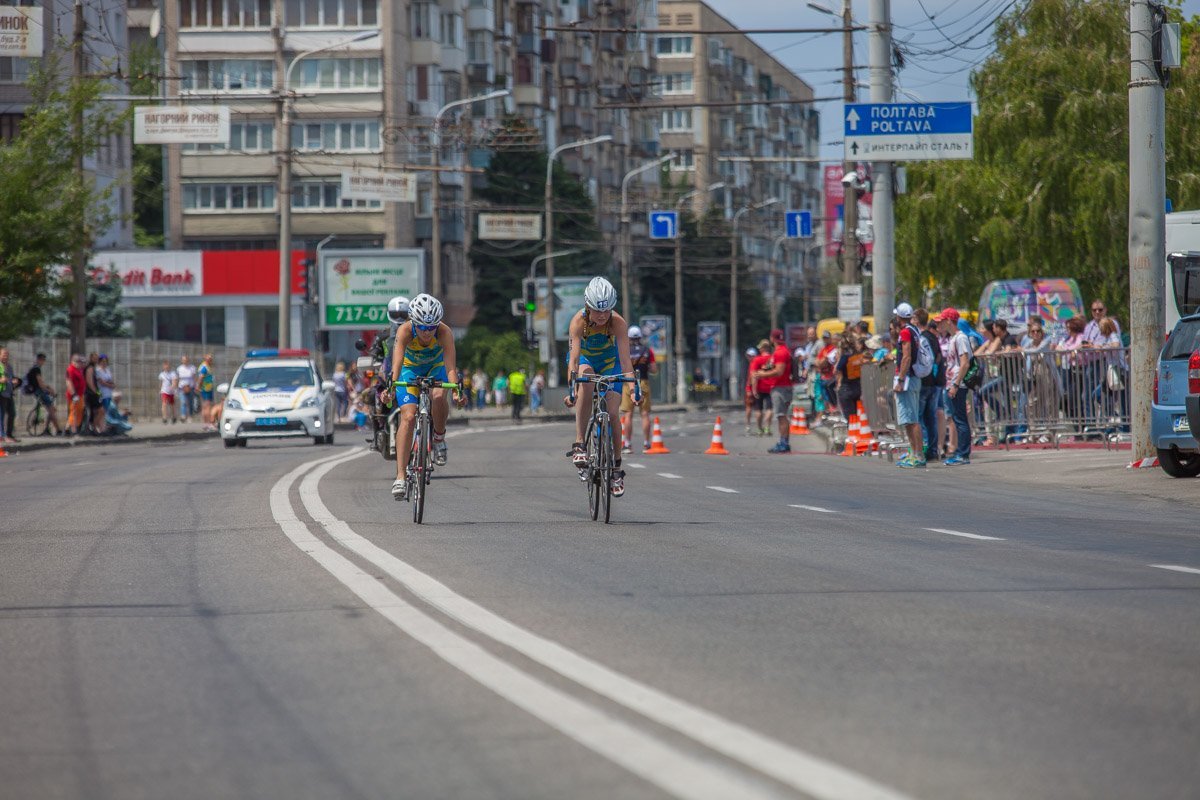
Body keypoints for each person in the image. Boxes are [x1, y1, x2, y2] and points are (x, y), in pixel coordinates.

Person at [564, 276, 638, 498]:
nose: (602, 316)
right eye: (597, 311)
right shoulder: (578, 321)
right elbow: (574, 361)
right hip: (586, 360)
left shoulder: (618, 323)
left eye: (606, 311)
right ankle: (579, 443)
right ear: (588, 306)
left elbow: (625, 361)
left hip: (610, 363)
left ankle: (615, 469)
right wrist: (572, 390)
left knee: (614, 413)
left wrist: (633, 389)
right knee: (585, 382)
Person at [389, 293, 462, 499]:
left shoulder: (444, 332)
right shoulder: (405, 331)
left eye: (431, 327)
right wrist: (389, 387)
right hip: (409, 370)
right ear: (414, 322)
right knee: (409, 417)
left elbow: (450, 367)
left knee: (438, 396)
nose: (427, 332)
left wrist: (456, 390)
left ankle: (438, 438)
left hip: (435, 367)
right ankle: (401, 476)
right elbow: (396, 365)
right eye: (422, 327)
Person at [752, 328, 796, 454]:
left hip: (781, 387)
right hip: (780, 386)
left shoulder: (780, 352)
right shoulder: (780, 351)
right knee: (781, 416)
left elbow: (779, 371)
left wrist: (762, 375)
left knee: (781, 416)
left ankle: (784, 443)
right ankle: (783, 441)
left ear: (772, 338)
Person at [893, 304, 926, 468]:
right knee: (909, 419)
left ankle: (918, 455)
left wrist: (900, 379)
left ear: (899, 317)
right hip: (912, 378)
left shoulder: (906, 332)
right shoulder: (914, 330)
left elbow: (906, 357)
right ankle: (914, 453)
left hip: (907, 379)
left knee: (911, 419)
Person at [939, 308, 973, 465]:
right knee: (956, 417)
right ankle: (960, 452)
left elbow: (965, 363)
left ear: (948, 321)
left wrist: (956, 384)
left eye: (942, 321)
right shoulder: (953, 338)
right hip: (951, 382)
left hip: (958, 383)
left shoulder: (961, 338)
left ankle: (963, 454)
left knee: (960, 419)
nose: (940, 324)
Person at [915, 309, 947, 462]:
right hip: (935, 383)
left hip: (925, 382)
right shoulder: (933, 338)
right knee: (930, 418)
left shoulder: (921, 338)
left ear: (916, 320)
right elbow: (938, 358)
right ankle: (932, 449)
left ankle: (925, 448)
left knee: (920, 417)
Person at [620, 325, 657, 451]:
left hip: (628, 383)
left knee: (628, 414)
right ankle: (647, 444)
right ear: (640, 337)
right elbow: (653, 369)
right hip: (643, 382)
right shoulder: (647, 350)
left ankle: (627, 444)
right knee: (645, 414)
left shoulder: (624, 350)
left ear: (628, 338)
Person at [24, 353, 61, 436]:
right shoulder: (37, 369)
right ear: (38, 360)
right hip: (39, 392)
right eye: (42, 360)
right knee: (51, 409)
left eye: (43, 360)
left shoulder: (33, 369)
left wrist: (48, 387)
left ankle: (46, 429)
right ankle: (58, 430)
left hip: (36, 391)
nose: (43, 362)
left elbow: (40, 382)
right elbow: (40, 384)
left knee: (51, 409)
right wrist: (50, 391)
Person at [834, 333, 864, 421]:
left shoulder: (844, 357)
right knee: (858, 415)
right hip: (858, 388)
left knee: (851, 418)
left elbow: (837, 369)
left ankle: (853, 433)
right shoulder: (859, 357)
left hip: (846, 388)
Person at [83, 353, 106, 435]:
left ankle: (94, 429)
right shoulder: (90, 368)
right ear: (91, 358)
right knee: (101, 410)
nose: (96, 360)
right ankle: (93, 427)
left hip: (93, 393)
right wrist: (97, 392)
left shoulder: (93, 368)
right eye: (94, 358)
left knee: (96, 412)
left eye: (97, 358)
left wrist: (98, 392)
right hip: (91, 394)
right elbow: (90, 382)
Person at [0, 347, 18, 442]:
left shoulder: (9, 367)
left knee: (12, 413)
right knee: (1, 415)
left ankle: (9, 434)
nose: (5, 356)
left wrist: (14, 382)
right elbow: (2, 379)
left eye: (7, 354)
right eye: (3, 354)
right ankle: (2, 436)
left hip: (9, 393)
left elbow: (10, 379)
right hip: (1, 393)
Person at [65, 353, 86, 435]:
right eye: (77, 361)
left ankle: (70, 428)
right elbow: (69, 382)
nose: (79, 363)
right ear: (72, 361)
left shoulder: (78, 370)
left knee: (78, 411)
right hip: (74, 395)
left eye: (80, 362)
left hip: (80, 395)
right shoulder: (70, 369)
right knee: (74, 412)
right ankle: (72, 430)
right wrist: (73, 394)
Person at [197, 354, 218, 431]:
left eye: (211, 359)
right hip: (206, 389)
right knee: (207, 406)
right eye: (209, 359)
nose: (211, 360)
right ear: (205, 359)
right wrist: (198, 386)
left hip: (207, 388)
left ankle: (206, 424)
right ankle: (209, 423)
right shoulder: (204, 367)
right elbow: (201, 377)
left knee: (205, 406)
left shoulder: (207, 366)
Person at [743, 346, 760, 434]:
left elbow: (751, 378)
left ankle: (748, 426)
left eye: (749, 356)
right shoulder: (758, 362)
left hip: (752, 389)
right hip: (758, 388)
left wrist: (750, 389)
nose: (748, 358)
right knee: (757, 408)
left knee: (749, 407)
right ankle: (758, 427)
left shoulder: (753, 364)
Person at [176, 355, 196, 422]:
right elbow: (178, 378)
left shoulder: (192, 368)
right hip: (182, 387)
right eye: (184, 360)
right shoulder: (179, 368)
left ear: (188, 360)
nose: (185, 361)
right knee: (183, 402)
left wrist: (195, 386)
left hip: (190, 387)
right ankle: (183, 416)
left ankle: (190, 416)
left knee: (190, 402)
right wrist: (176, 388)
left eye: (186, 360)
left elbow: (194, 378)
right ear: (182, 361)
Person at [158, 360, 178, 425]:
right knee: (164, 404)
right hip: (164, 391)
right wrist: (160, 390)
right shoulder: (161, 374)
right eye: (165, 366)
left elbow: (174, 382)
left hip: (171, 392)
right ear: (163, 367)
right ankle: (164, 418)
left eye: (168, 366)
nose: (166, 367)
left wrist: (173, 387)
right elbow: (161, 383)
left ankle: (174, 417)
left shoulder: (173, 373)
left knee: (172, 405)